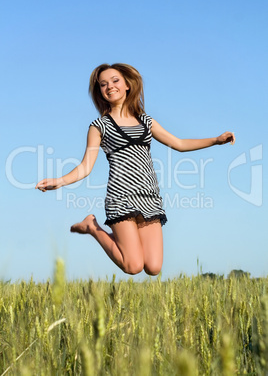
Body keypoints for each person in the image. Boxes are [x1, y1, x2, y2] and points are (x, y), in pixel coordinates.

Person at [36, 63, 235, 276]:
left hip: (149, 197)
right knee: (133, 266)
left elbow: (179, 143)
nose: (109, 86)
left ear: (127, 85)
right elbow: (85, 167)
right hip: (120, 197)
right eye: (103, 84)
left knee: (153, 267)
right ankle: (92, 227)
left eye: (115, 81)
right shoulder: (99, 126)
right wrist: (60, 181)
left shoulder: (146, 121)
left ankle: (93, 228)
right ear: (100, 92)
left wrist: (215, 140)